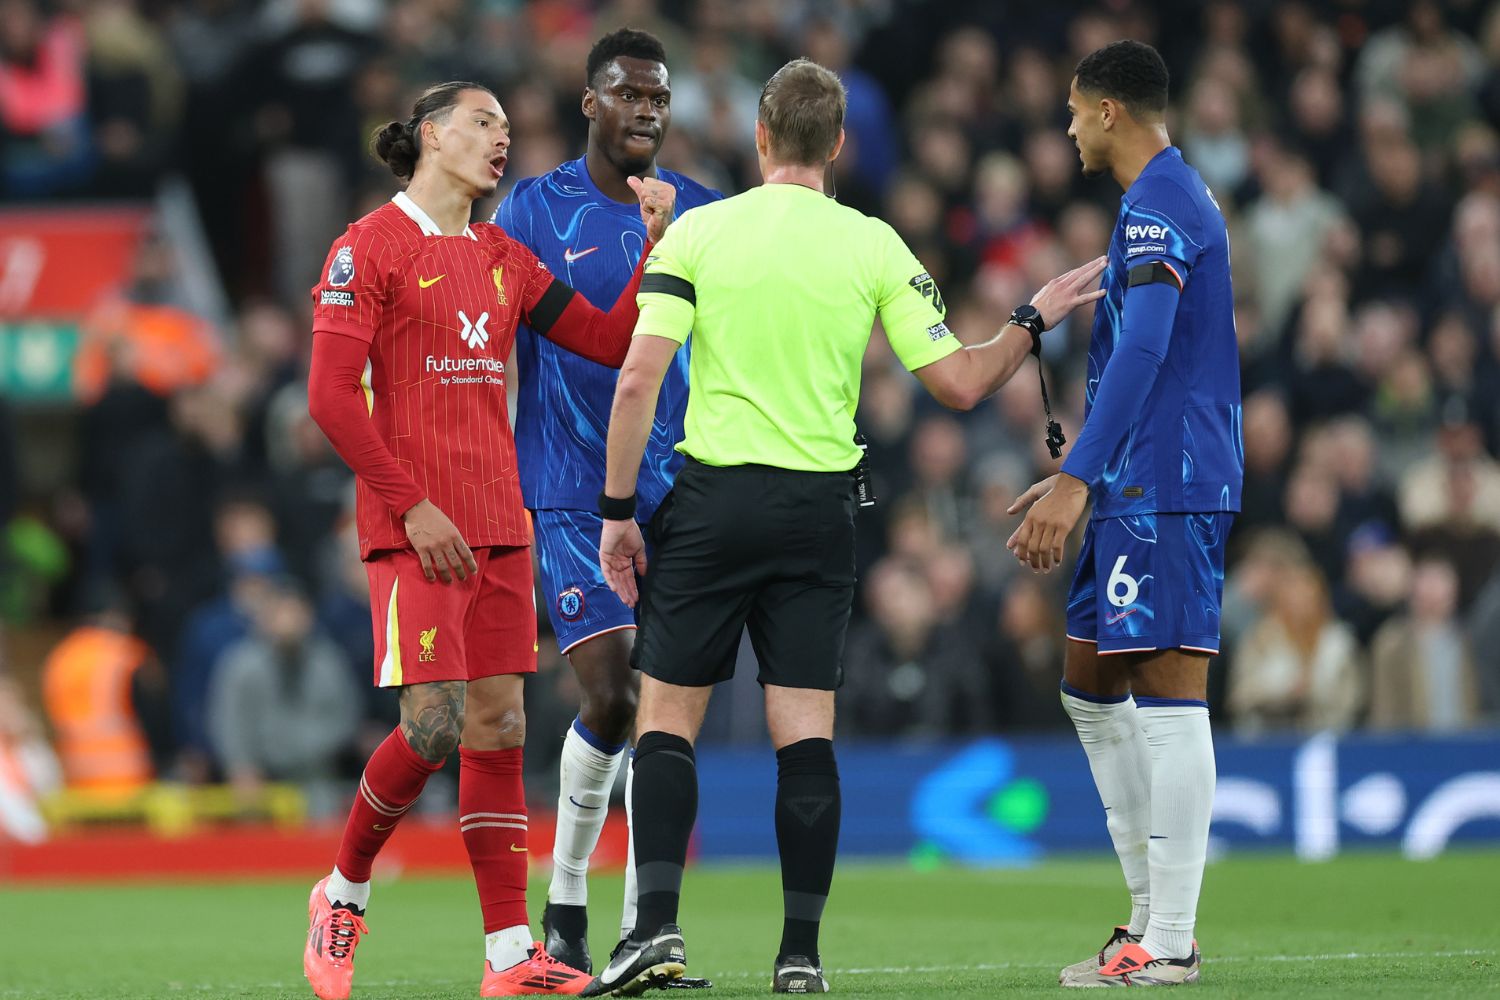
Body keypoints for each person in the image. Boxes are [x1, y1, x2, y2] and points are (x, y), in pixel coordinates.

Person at [584, 59, 1106, 996]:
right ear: (837, 147)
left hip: (713, 500)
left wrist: (619, 514)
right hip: (819, 511)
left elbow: (637, 379)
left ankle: (655, 930)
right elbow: (956, 383)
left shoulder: (699, 231)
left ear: (759, 138)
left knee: (667, 719)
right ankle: (800, 956)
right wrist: (1033, 317)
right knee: (805, 733)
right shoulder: (872, 243)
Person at [301, 81, 677, 1000]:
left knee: (500, 727)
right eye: (483, 122)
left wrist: (657, 246)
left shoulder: (503, 254)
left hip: (499, 525)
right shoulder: (367, 247)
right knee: (429, 728)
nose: (502, 140)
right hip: (414, 529)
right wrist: (411, 507)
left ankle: (511, 958)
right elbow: (328, 396)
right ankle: (342, 891)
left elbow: (608, 334)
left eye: (509, 129)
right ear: (430, 135)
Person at [1005, 41, 1241, 988]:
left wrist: (1077, 480)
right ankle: (1146, 916)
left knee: (1170, 697)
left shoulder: (1162, 205)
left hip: (1168, 483)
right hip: (1132, 484)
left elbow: (1143, 352)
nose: (1065, 127)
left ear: (1108, 111)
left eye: (1072, 110)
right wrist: (1090, 478)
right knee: (1088, 686)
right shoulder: (1162, 201)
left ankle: (1172, 941)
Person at [493, 28, 720, 976]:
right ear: (591, 102)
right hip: (569, 490)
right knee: (615, 694)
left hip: (685, 487)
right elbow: (490, 333)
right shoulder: (531, 210)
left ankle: (640, 932)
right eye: (629, 95)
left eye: (659, 99)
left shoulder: (704, 209)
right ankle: (569, 894)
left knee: (663, 708)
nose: (647, 113)